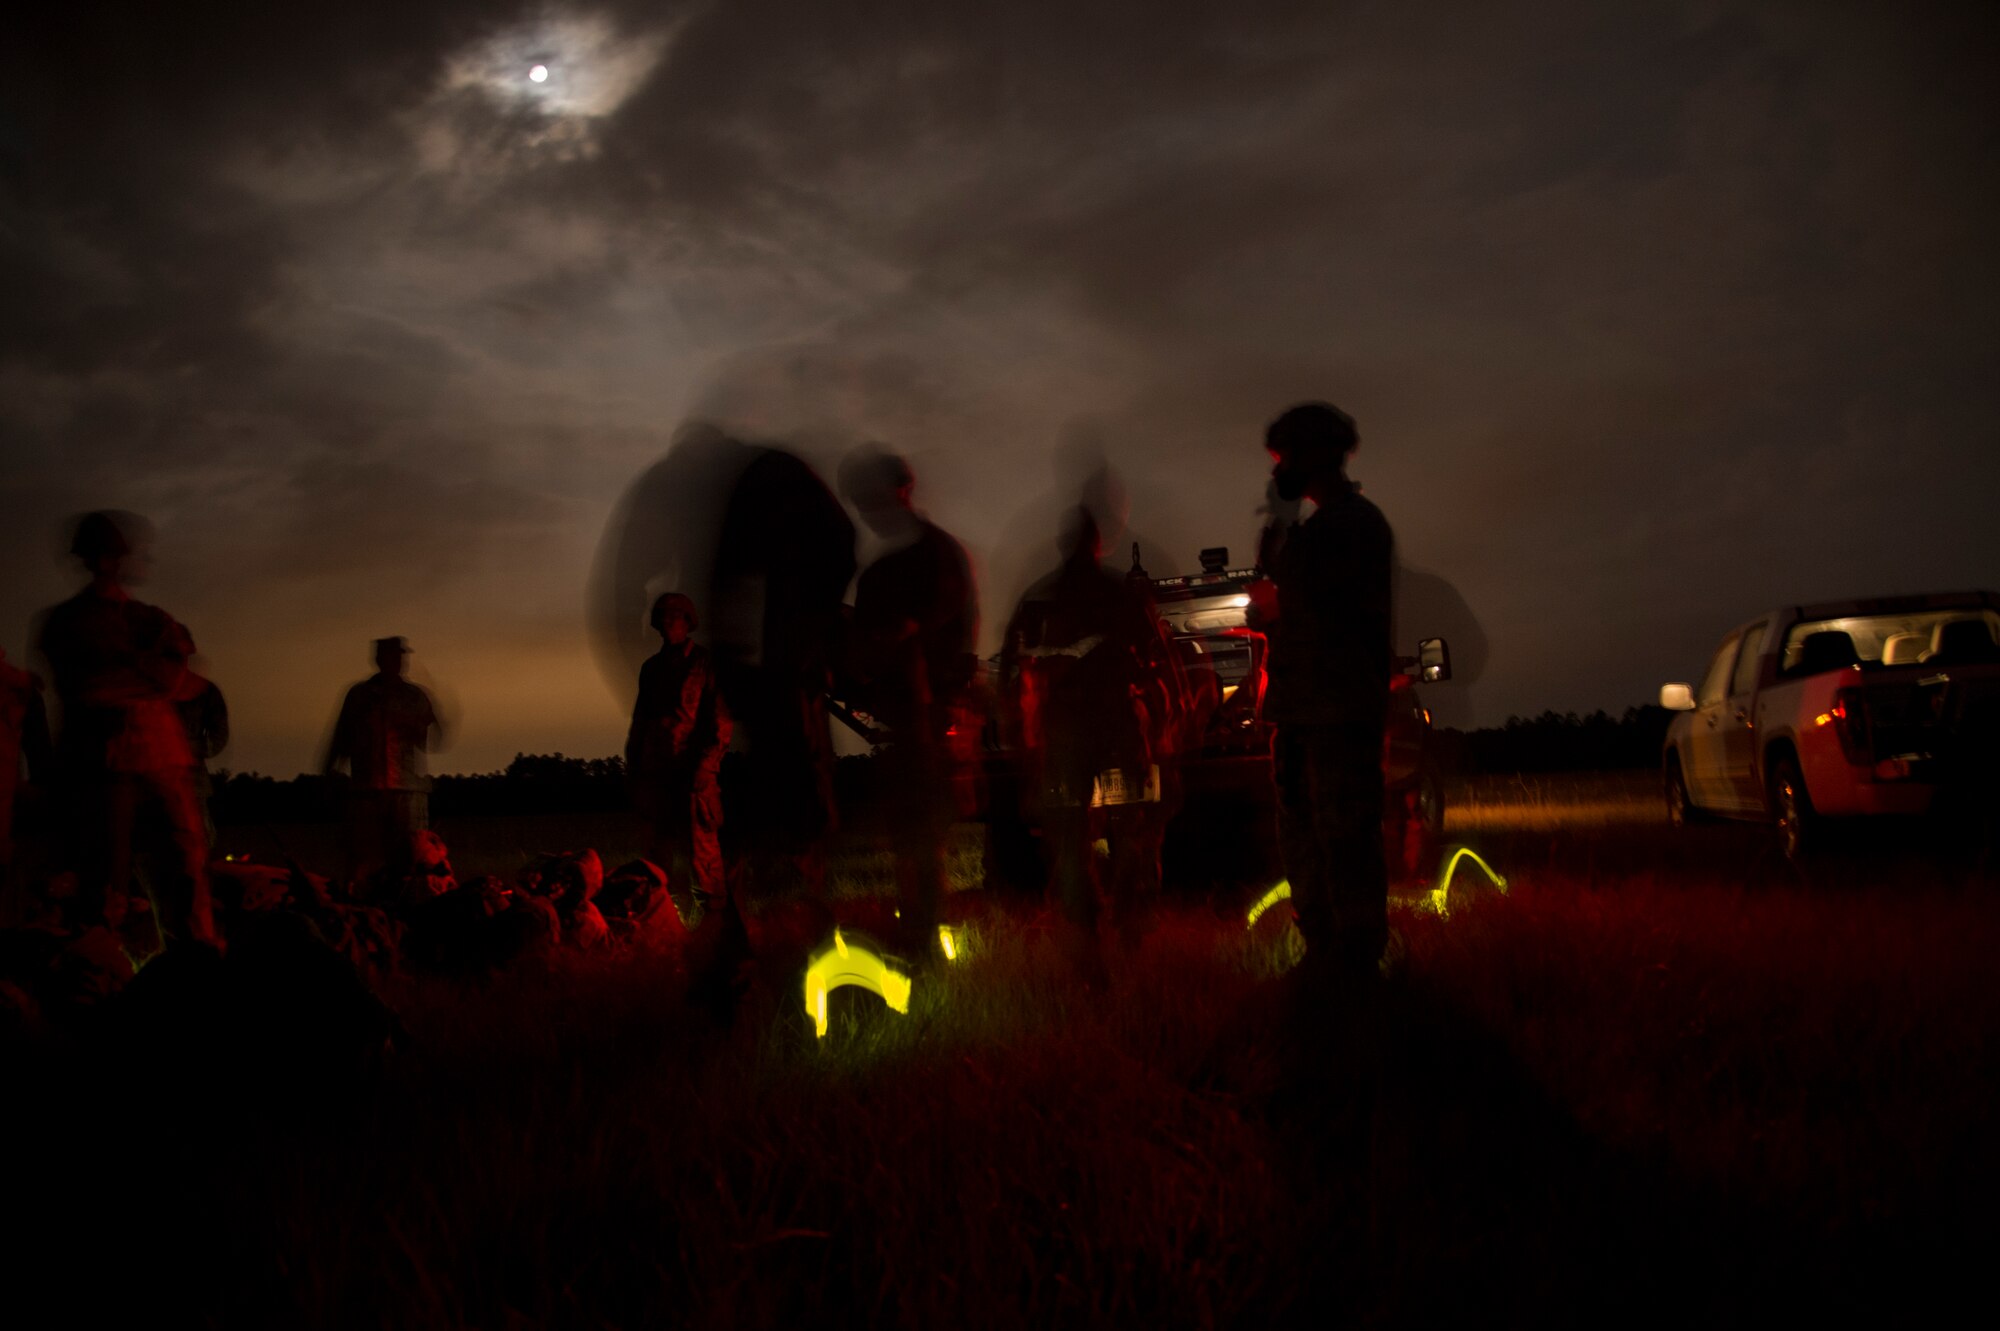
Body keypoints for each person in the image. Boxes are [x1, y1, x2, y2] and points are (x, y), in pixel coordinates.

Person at [35, 511, 217, 949]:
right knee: (105, 884)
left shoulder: (149, 619)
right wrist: (147, 672)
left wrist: (131, 671)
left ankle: (194, 973)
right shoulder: (69, 623)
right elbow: (86, 688)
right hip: (105, 766)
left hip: (160, 761)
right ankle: (107, 978)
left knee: (184, 877)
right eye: (118, 554)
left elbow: (183, 682)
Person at [1259, 402, 1395, 988]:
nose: (1281, 469)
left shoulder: (1350, 526)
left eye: (1287, 458)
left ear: (1314, 456)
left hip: (1336, 710)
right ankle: (1325, 952)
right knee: (1308, 835)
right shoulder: (1328, 527)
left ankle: (1357, 960)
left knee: (1343, 836)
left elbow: (1289, 585)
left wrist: (1282, 521)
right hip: (1308, 708)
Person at [1001, 506, 1168, 985]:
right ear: (1101, 542)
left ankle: (1083, 946)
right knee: (1130, 837)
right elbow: (1152, 665)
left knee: (1070, 846)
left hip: (1063, 743)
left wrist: (1023, 738)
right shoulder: (1123, 594)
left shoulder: (1037, 599)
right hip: (1117, 736)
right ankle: (1134, 943)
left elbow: (1012, 675)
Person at [842, 448, 979, 956]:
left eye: (870, 499)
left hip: (931, 714)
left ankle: (927, 935)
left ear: (901, 490)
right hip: (903, 717)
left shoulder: (936, 556)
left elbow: (942, 631)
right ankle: (918, 926)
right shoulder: (883, 572)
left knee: (922, 831)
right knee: (908, 832)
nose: (866, 511)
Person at [626, 592, 730, 919]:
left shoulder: (704, 663)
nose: (667, 624)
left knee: (703, 856)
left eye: (674, 617)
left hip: (693, 774)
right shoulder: (651, 669)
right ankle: (663, 925)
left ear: (687, 622)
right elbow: (640, 722)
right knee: (657, 859)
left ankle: (713, 925)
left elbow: (720, 720)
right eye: (663, 618)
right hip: (657, 774)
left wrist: (707, 766)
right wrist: (634, 771)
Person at [323, 637, 441, 885]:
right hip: (366, 792)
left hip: (407, 793)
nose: (397, 662)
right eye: (391, 656)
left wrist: (417, 723)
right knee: (364, 862)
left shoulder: (414, 696)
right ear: (378, 660)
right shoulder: (359, 695)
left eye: (400, 657)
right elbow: (341, 736)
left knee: (411, 862)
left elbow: (434, 740)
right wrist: (328, 770)